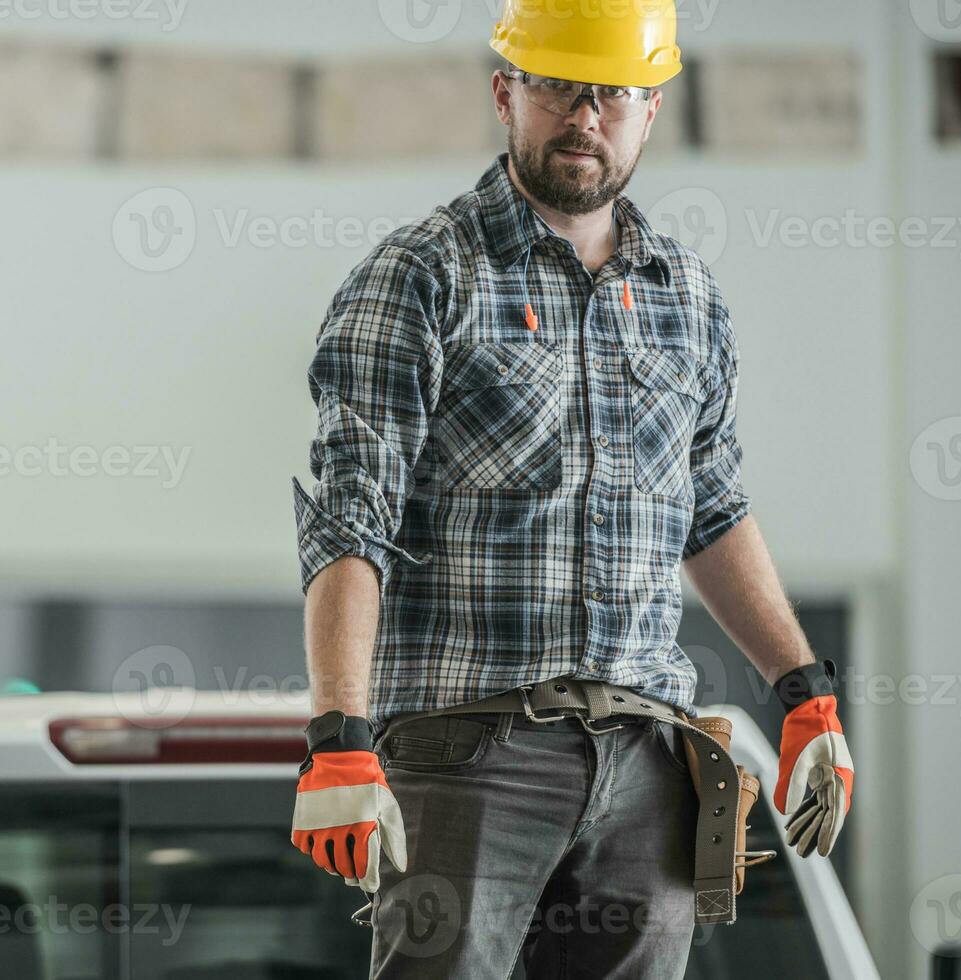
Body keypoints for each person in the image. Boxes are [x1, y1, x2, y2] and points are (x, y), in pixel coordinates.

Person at [287, 2, 855, 976]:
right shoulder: (423, 275)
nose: (583, 116)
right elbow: (352, 512)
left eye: (613, 93)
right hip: (471, 753)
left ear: (650, 111)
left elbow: (713, 503)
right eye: (556, 86)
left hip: (650, 754)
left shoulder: (688, 295)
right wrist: (338, 733)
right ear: (506, 93)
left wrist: (807, 693)